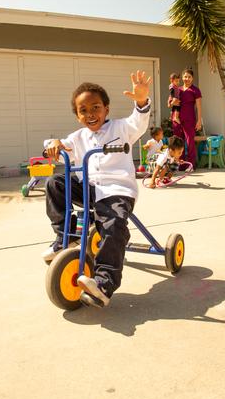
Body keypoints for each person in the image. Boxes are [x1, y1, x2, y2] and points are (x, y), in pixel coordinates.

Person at [43, 71, 152, 308]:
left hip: (117, 190)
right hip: (90, 188)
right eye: (84, 110)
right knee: (55, 184)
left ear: (107, 109)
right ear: (77, 116)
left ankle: (104, 284)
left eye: (96, 107)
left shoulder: (122, 128)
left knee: (112, 225)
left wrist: (141, 101)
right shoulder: (78, 136)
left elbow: (139, 122)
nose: (91, 114)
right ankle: (65, 238)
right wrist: (53, 144)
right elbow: (62, 146)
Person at [172, 68, 203, 167]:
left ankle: (190, 165)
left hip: (189, 118)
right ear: (182, 77)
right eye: (185, 76)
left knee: (190, 142)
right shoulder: (178, 89)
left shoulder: (195, 90)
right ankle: (179, 164)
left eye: (189, 77)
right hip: (177, 119)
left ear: (192, 78)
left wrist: (199, 121)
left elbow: (198, 106)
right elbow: (171, 103)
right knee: (178, 142)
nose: (187, 78)